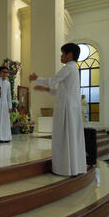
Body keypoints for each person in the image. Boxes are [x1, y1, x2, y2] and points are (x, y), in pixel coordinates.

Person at [29, 43, 87, 177]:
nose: (61, 56)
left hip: (66, 109)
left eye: (63, 54)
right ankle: (72, 166)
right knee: (69, 137)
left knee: (63, 136)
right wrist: (46, 90)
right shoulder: (74, 69)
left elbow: (51, 81)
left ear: (70, 55)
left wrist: (36, 78)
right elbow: (63, 91)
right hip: (70, 107)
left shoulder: (68, 67)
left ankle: (64, 168)